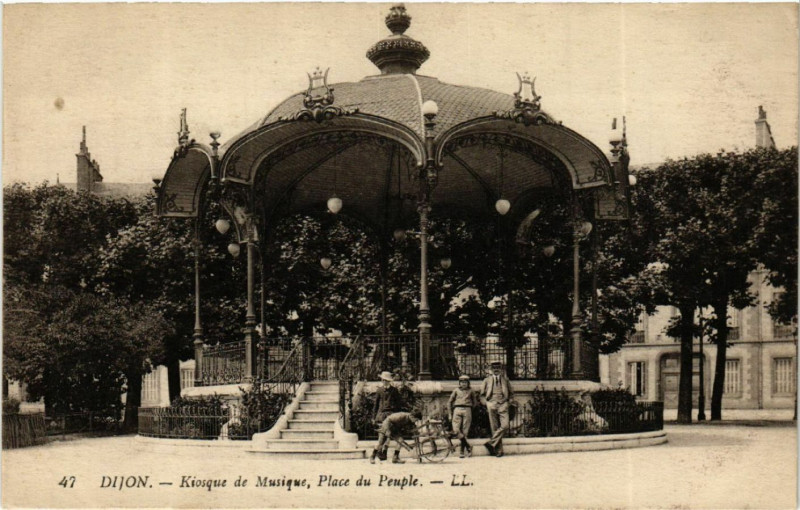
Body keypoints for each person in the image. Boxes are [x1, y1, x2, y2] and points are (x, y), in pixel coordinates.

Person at [480, 361, 515, 457]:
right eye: (494, 368)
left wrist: (507, 403)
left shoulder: (505, 380)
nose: (496, 370)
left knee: (505, 426)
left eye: (498, 368)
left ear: (501, 369)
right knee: (494, 428)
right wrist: (487, 404)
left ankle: (491, 443)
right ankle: (499, 451)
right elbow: (482, 395)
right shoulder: (486, 380)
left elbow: (511, 394)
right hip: (491, 404)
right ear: (491, 369)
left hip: (503, 405)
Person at [448, 375, 479, 458]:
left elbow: (475, 402)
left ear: (468, 383)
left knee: (465, 432)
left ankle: (462, 451)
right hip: (457, 409)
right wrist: (450, 414)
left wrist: (469, 409)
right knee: (456, 430)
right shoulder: (456, 390)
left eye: (465, 382)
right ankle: (468, 446)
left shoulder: (471, 391)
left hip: (467, 409)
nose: (463, 384)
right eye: (462, 382)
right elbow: (449, 402)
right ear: (459, 383)